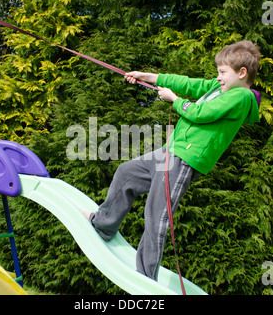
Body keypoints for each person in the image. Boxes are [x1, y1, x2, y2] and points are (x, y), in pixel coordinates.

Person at [81, 40, 262, 281]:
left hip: (184, 160)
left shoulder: (241, 97)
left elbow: (200, 114)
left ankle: (144, 278)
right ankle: (103, 225)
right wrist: (148, 76)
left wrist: (174, 100)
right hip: (170, 151)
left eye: (222, 72)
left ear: (242, 73)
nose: (217, 77)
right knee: (126, 173)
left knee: (157, 215)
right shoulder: (219, 88)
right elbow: (186, 82)